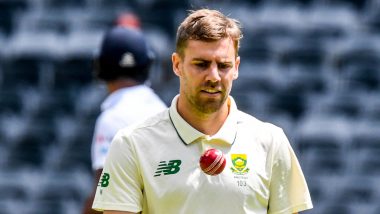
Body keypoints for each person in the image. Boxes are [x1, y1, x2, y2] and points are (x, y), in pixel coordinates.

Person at [92, 9, 313, 214]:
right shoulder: (130, 144)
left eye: (223, 65)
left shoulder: (271, 142)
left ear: (236, 67)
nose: (214, 76)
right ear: (177, 64)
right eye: (201, 64)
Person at [81, 25, 167, 214]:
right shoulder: (164, 110)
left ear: (100, 66)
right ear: (148, 65)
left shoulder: (111, 118)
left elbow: (103, 193)